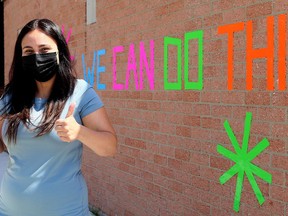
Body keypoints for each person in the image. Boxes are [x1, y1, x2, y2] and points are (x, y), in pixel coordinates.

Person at [0, 18, 117, 216]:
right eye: (28, 52)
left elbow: (110, 147)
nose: (37, 57)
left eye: (44, 50)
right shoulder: (11, 97)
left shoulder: (80, 93)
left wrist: (80, 132)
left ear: (59, 52)